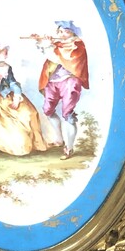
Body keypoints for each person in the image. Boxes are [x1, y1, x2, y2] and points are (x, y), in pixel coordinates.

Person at [36, 21, 89, 159]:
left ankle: (69, 148)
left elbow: (61, 58)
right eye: (60, 31)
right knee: (48, 110)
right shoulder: (58, 44)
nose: (61, 34)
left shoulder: (78, 45)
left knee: (68, 115)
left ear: (73, 32)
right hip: (52, 82)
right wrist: (41, 42)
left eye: (65, 31)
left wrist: (48, 46)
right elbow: (49, 55)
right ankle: (59, 139)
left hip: (69, 82)